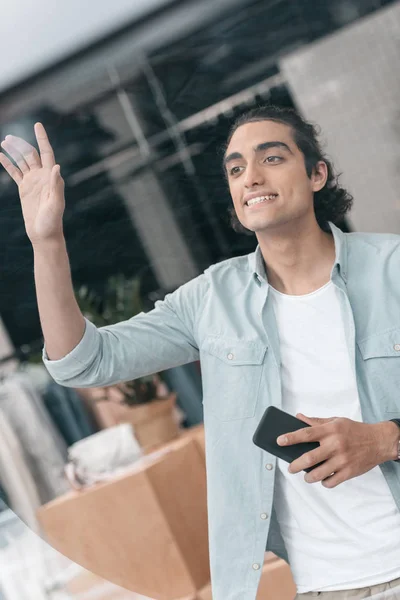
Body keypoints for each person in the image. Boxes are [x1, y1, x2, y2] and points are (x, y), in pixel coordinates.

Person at [1, 105, 400, 600]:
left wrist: (385, 440)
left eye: (271, 158)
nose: (250, 176)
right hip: (325, 587)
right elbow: (83, 362)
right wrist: (47, 242)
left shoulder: (392, 270)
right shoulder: (211, 301)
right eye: (235, 169)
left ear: (317, 173)